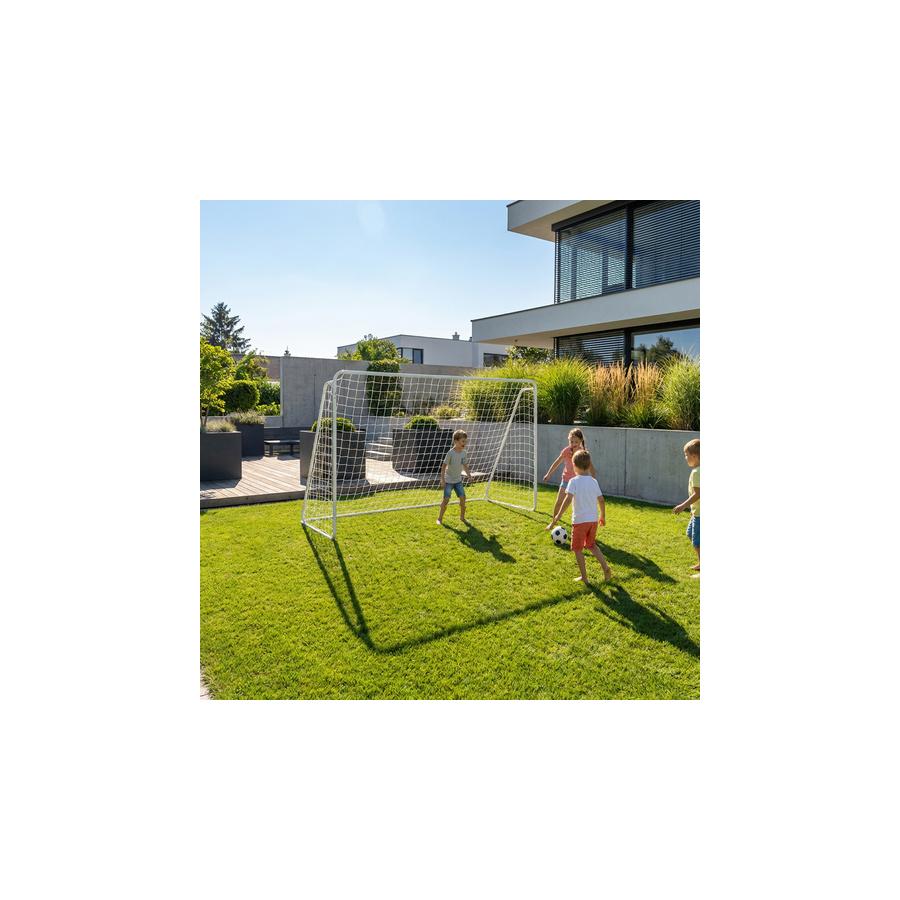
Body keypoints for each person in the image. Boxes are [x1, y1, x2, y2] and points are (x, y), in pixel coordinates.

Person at [547, 449, 611, 584]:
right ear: (588, 466)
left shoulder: (573, 481)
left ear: (574, 466)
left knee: (577, 549)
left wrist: (558, 516)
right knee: (592, 545)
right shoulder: (594, 481)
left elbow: (567, 500)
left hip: (580, 521)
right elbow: (601, 500)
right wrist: (603, 516)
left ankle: (584, 578)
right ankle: (605, 568)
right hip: (593, 520)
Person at [543, 428, 598, 530]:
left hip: (579, 483)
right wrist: (548, 474)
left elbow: (592, 469)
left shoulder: (583, 454)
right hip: (566, 481)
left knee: (578, 506)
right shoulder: (566, 451)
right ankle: (553, 522)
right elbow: (557, 462)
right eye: (571, 441)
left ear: (581, 441)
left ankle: (580, 525)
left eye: (576, 442)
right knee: (559, 502)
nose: (573, 444)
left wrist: (593, 482)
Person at [673, 438, 700, 572]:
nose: (685, 458)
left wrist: (683, 506)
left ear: (694, 456)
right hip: (697, 512)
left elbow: (697, 494)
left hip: (700, 514)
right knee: (690, 533)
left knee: (697, 541)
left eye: (686, 455)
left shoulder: (697, 472)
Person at [437, 430, 472, 526]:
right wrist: (442, 479)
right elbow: (443, 467)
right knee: (446, 500)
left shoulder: (464, 453)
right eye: (462, 441)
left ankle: (462, 518)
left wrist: (469, 475)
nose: (464, 443)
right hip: (448, 481)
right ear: (456, 441)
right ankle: (439, 518)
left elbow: (465, 465)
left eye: (465, 441)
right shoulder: (450, 453)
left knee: (463, 498)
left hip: (458, 481)